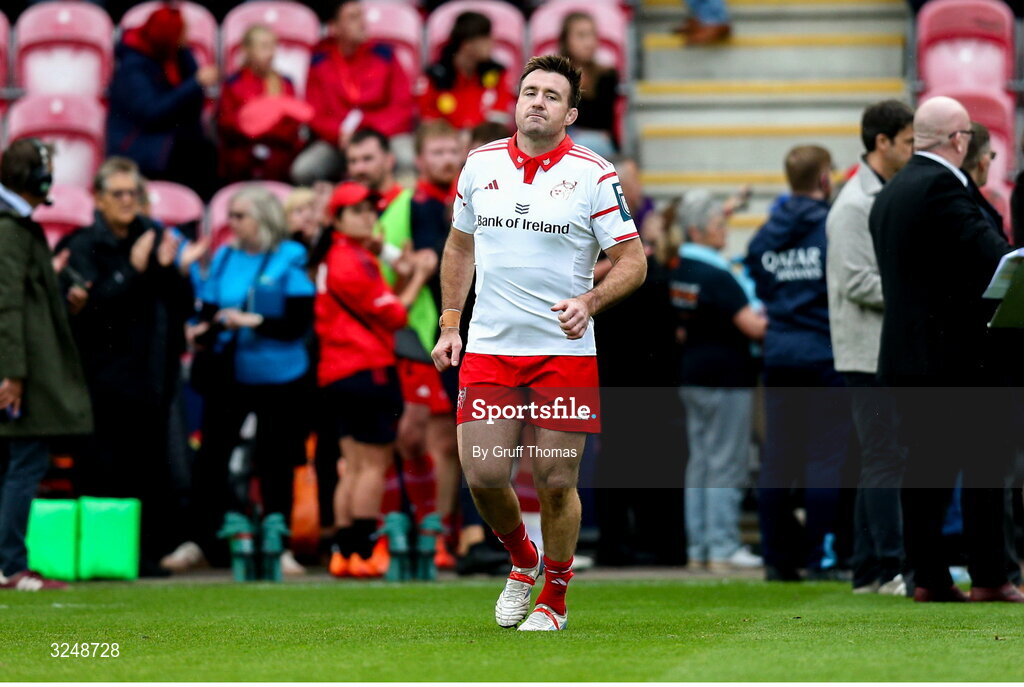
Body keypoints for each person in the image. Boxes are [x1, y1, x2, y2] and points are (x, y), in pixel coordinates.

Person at [431, 55, 647, 630]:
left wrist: (590, 302)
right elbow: (459, 248)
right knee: (482, 475)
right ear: (516, 101)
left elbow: (633, 261)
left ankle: (554, 597)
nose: (537, 101)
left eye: (552, 95)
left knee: (554, 482)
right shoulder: (478, 164)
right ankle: (523, 563)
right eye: (530, 91)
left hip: (562, 352)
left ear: (571, 112)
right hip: (490, 349)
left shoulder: (594, 174)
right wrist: (451, 323)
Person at [869, 96, 1023, 603]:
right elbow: (988, 259)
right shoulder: (941, 187)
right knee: (984, 465)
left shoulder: (893, 190)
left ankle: (930, 576)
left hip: (911, 356)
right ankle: (989, 575)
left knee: (927, 470)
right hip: (957, 359)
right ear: (958, 140)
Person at [60, 156, 196, 576]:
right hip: (100, 379)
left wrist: (172, 270)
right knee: (102, 469)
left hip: (153, 375)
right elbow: (88, 309)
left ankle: (143, 557)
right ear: (98, 198)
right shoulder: (81, 244)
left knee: (149, 471)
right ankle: (99, 556)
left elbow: (183, 306)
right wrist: (132, 271)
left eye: (132, 193)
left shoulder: (157, 237)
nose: (125, 201)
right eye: (116, 193)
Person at [178, 186, 315, 573]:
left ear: (263, 217)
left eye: (240, 216)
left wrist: (254, 321)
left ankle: (279, 541)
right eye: (231, 216)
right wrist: (200, 328)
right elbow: (206, 307)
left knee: (275, 459)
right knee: (211, 458)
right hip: (231, 371)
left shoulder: (290, 256)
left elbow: (298, 321)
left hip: (280, 372)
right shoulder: (224, 258)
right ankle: (204, 540)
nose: (232, 223)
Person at [311, 182, 434, 578]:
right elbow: (396, 315)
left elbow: (381, 302)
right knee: (372, 464)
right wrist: (420, 276)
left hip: (338, 372)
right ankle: (363, 550)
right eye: (357, 211)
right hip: (366, 370)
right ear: (337, 220)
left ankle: (344, 550)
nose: (368, 217)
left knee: (354, 463)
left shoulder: (341, 256)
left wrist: (396, 264)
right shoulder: (351, 261)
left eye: (370, 210)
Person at [745, 145, 851, 582]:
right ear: (825, 178)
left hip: (780, 354)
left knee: (779, 458)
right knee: (825, 457)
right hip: (825, 352)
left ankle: (777, 559)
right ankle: (821, 556)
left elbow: (759, 276)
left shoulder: (765, 236)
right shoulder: (832, 230)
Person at [825, 100, 914, 595]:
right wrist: (916, 293)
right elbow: (857, 281)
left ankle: (869, 571)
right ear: (882, 143)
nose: (913, 149)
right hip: (866, 353)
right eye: (906, 141)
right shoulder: (855, 204)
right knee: (884, 458)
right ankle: (889, 566)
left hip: (876, 349)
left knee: (876, 458)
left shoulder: (874, 195)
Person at [0, 139, 92, 590]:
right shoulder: (9, 228)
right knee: (26, 461)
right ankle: (10, 564)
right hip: (23, 370)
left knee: (17, 463)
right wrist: (11, 372)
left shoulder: (15, 224)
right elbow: (6, 306)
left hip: (21, 364)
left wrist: (59, 296)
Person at [672, 190, 766, 572]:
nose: (723, 230)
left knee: (701, 464)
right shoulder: (716, 275)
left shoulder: (683, 270)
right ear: (697, 230)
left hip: (694, 374)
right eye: (716, 225)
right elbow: (754, 327)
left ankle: (700, 547)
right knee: (726, 463)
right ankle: (724, 546)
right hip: (726, 377)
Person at [293, 0, 415, 185]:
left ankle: (400, 209)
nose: (362, 23)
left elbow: (402, 106)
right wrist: (339, 133)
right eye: (353, 18)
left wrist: (371, 133)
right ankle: (337, 208)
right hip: (339, 141)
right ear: (334, 27)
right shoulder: (320, 59)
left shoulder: (385, 54)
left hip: (384, 135)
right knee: (304, 170)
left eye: (361, 16)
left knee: (407, 159)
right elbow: (314, 112)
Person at [105, 3, 219, 198]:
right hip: (140, 146)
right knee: (197, 155)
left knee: (206, 149)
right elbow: (152, 112)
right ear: (167, 37)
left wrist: (185, 53)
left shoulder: (173, 55)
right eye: (181, 33)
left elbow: (194, 106)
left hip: (168, 142)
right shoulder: (133, 68)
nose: (186, 37)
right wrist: (195, 82)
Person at [217, 25, 304, 183]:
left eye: (273, 47)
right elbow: (226, 123)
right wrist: (258, 125)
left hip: (278, 155)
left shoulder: (285, 83)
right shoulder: (232, 83)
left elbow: (292, 124)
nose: (270, 54)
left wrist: (256, 124)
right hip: (242, 155)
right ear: (247, 50)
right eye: (264, 47)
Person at [419, 12, 513, 132]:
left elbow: (499, 120)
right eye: (485, 38)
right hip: (448, 146)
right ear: (467, 44)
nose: (492, 42)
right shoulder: (435, 77)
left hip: (485, 143)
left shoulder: (498, 73)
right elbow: (429, 122)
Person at [559, 12, 620, 158]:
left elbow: (604, 124)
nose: (589, 42)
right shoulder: (555, 76)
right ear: (566, 40)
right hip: (562, 144)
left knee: (628, 169)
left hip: (597, 144)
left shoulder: (607, 75)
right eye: (581, 36)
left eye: (592, 35)